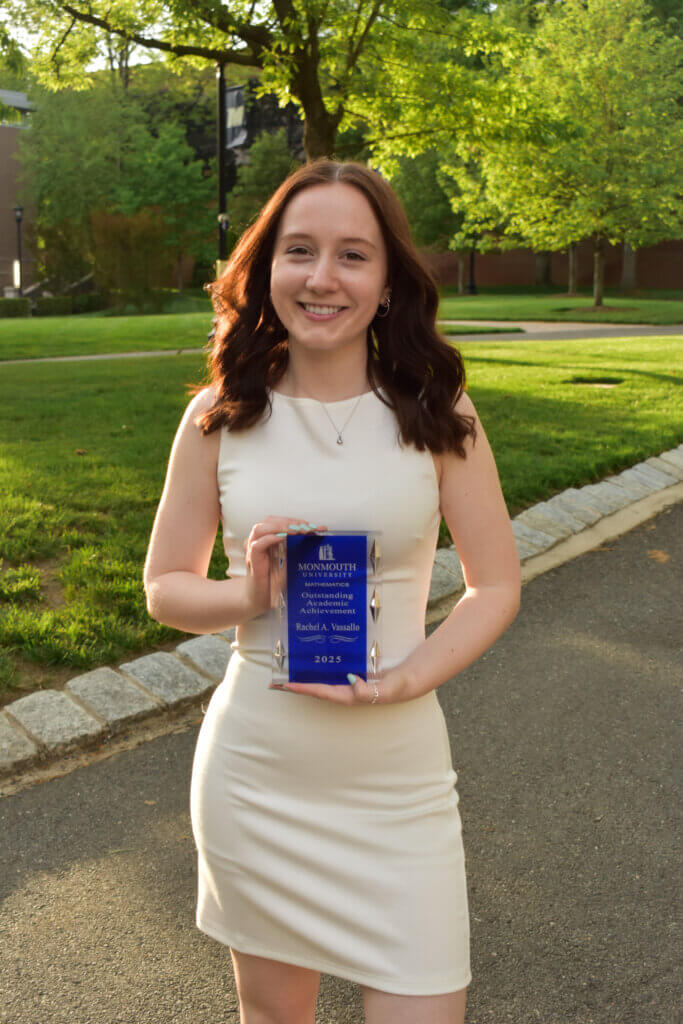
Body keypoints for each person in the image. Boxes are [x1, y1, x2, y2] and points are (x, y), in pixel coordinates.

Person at [143, 159, 521, 1024]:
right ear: (265, 270)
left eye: (352, 255)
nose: (321, 277)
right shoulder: (218, 416)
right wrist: (247, 595)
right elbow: (164, 587)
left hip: (397, 781)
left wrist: (404, 679)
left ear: (388, 282)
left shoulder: (439, 415)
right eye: (299, 251)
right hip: (257, 777)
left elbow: (493, 584)